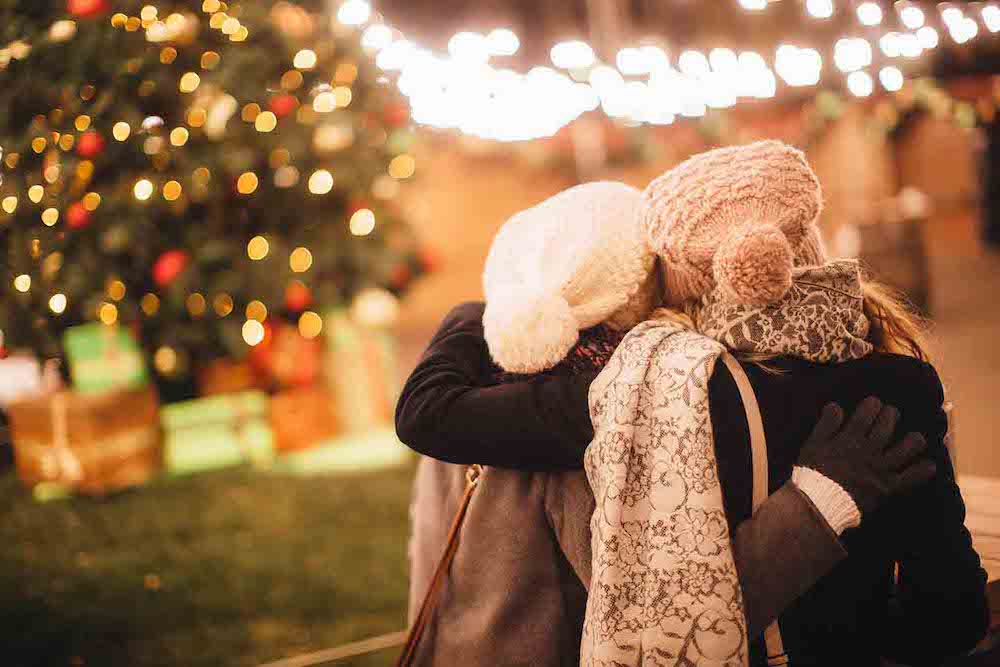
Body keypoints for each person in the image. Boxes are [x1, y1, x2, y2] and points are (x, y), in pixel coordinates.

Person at [396, 165, 968, 666]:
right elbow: (949, 619)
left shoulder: (648, 396)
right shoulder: (904, 380)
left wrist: (485, 304)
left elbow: (658, 620)